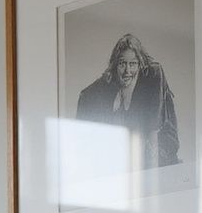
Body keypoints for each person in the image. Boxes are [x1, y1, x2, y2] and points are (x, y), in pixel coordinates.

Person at [75, 33, 180, 169]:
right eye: (122, 64)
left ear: (140, 65)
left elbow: (156, 131)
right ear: (115, 65)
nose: (127, 71)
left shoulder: (153, 79)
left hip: (157, 158)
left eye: (133, 64)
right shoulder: (102, 88)